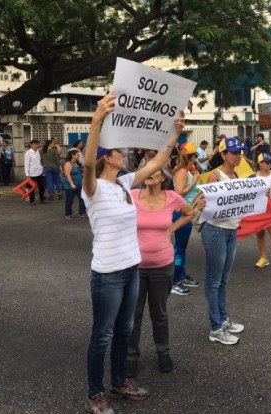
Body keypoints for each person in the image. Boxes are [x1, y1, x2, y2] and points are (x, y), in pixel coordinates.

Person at [81, 93, 185, 414]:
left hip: (131, 270)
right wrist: (97, 120)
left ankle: (119, 381)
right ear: (107, 158)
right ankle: (95, 394)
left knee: (125, 330)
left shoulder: (125, 184)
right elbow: (86, 162)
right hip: (108, 274)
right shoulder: (93, 187)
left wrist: (175, 134)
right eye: (120, 151)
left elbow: (156, 164)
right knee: (103, 335)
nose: (126, 154)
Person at [126, 166, 194, 377]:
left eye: (153, 171)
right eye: (144, 171)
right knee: (133, 315)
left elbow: (189, 213)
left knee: (160, 313)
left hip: (162, 266)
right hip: (135, 266)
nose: (148, 174)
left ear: (163, 178)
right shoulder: (132, 195)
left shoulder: (172, 197)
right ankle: (130, 356)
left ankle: (163, 352)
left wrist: (172, 229)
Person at [202, 136, 246, 346]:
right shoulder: (215, 177)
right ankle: (215, 327)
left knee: (224, 281)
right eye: (234, 152)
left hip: (231, 231)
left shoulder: (237, 174)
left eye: (239, 152)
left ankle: (223, 318)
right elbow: (210, 208)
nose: (238, 156)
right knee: (214, 281)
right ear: (223, 154)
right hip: (215, 231)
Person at [171, 142, 201, 295]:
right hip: (181, 212)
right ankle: (175, 281)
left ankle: (181, 275)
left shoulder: (187, 169)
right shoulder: (183, 171)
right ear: (192, 156)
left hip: (187, 211)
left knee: (182, 248)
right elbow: (178, 193)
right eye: (196, 155)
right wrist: (195, 181)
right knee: (179, 249)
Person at [62, 150, 87, 220]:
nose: (78, 156)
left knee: (82, 198)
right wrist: (72, 184)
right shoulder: (68, 164)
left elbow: (82, 173)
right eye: (77, 155)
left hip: (79, 185)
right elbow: (68, 175)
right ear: (72, 155)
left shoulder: (77, 163)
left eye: (78, 155)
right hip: (70, 186)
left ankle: (82, 212)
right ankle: (68, 214)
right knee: (69, 200)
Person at [24, 140, 48, 206]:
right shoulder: (28, 153)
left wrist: (42, 170)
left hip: (39, 172)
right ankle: (32, 201)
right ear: (32, 145)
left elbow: (39, 162)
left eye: (38, 144)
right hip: (31, 173)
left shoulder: (38, 151)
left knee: (41, 187)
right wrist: (27, 174)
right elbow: (26, 164)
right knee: (31, 188)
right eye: (36, 144)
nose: (37, 145)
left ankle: (42, 199)